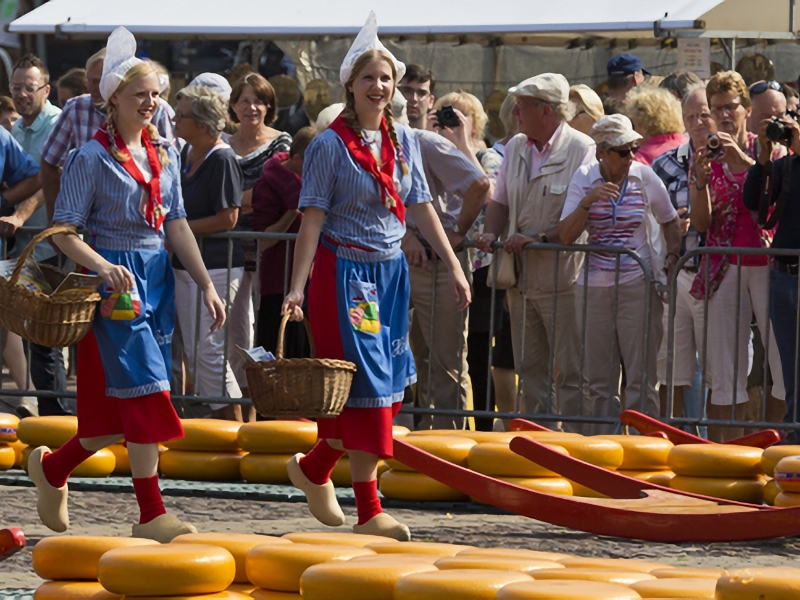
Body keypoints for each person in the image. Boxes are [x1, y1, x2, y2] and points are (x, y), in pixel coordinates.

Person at [28, 27, 225, 543]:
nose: (152, 102)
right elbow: (64, 230)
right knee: (148, 390)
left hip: (155, 278)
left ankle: (53, 469)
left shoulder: (166, 153)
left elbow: (176, 221)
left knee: (114, 413)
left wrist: (204, 283)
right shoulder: (88, 157)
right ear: (111, 99)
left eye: (157, 94)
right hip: (113, 284)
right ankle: (150, 513)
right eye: (142, 94)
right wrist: (101, 265)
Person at [282, 13, 470, 541]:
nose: (380, 86)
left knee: (383, 385)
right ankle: (370, 511)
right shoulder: (327, 145)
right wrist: (297, 287)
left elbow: (420, 205)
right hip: (346, 275)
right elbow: (312, 217)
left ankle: (315, 466)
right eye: (370, 78)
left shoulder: (405, 140)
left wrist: (453, 264)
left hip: (390, 274)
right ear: (350, 84)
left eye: (386, 78)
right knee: (366, 387)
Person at [474, 73, 594, 432]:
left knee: (571, 370)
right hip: (521, 280)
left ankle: (576, 444)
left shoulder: (583, 148)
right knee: (530, 369)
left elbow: (580, 217)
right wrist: (490, 233)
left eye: (522, 107)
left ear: (546, 111)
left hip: (564, 278)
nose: (514, 115)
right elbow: (500, 200)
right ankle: (539, 443)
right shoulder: (514, 147)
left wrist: (538, 236)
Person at [559, 114, 680, 432]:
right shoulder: (584, 177)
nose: (631, 157)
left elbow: (669, 219)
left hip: (637, 285)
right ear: (601, 151)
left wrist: (671, 254)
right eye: (622, 150)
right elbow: (565, 236)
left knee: (642, 379)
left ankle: (646, 447)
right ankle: (605, 452)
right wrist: (587, 202)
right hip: (593, 288)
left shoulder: (644, 176)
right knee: (600, 381)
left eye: (633, 148)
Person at [689, 71, 785, 441]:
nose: (724, 115)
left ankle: (780, 442)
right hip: (722, 264)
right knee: (725, 369)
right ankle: (726, 450)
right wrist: (700, 179)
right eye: (716, 109)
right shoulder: (706, 154)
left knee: (781, 361)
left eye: (731, 107)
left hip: (768, 262)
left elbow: (775, 202)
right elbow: (701, 222)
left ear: (746, 109)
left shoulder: (771, 152)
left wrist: (743, 159)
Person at [404, 90, 488, 430]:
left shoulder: (426, 143)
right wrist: (403, 235)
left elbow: (481, 184)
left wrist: (455, 234)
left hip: (439, 263)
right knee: (411, 360)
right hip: (395, 259)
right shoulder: (366, 144)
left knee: (447, 363)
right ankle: (418, 437)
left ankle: (451, 445)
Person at [172, 85, 244, 422]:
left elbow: (228, 217)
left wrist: (178, 233)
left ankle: (236, 428)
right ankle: (226, 427)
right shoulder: (187, 152)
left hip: (216, 267)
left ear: (201, 125)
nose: (174, 119)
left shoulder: (222, 158)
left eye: (181, 115)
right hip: (188, 266)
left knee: (210, 352)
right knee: (197, 351)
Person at [41, 47, 176, 224]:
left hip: (148, 225)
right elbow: (49, 161)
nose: (93, 88)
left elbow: (172, 170)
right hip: (92, 226)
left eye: (99, 81)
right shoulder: (77, 111)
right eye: (89, 80)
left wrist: (169, 228)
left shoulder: (156, 110)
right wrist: (55, 222)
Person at [6, 54, 68, 417]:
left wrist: (18, 214)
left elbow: (50, 180)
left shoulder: (58, 123)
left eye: (29, 88)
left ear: (46, 89)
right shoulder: (16, 129)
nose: (21, 94)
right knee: (36, 338)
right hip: (28, 247)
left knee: (49, 339)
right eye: (16, 87)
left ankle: (59, 420)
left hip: (55, 244)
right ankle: (50, 417)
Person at [651, 86, 716, 420]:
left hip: (719, 279)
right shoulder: (664, 165)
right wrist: (670, 225)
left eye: (704, 113)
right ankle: (671, 444)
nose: (698, 121)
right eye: (690, 116)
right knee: (670, 373)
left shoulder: (733, 159)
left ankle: (720, 450)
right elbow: (648, 219)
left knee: (721, 375)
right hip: (678, 276)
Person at [226, 73, 292, 400]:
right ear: (233, 106)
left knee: (262, 330)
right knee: (235, 332)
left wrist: (226, 205)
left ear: (269, 106)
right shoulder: (222, 143)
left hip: (271, 252)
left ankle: (265, 399)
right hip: (227, 252)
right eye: (244, 100)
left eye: (259, 100)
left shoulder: (282, 144)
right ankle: (242, 402)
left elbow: (270, 195)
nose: (251, 107)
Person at [743, 111, 800, 435]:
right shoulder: (786, 167)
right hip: (784, 277)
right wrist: (764, 155)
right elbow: (753, 200)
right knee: (791, 371)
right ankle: (795, 438)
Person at [252, 126, 316, 358]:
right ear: (297, 158)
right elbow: (264, 241)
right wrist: (293, 211)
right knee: (277, 353)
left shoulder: (309, 183)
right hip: (278, 283)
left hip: (310, 284)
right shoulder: (268, 185)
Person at [626, 86, 686, 166]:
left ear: (643, 125)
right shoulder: (688, 144)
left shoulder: (641, 159)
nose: (635, 131)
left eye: (635, 126)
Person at [399, 64, 435, 130]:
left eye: (421, 93)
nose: (414, 99)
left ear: (431, 101)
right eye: (407, 91)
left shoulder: (443, 138)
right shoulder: (381, 134)